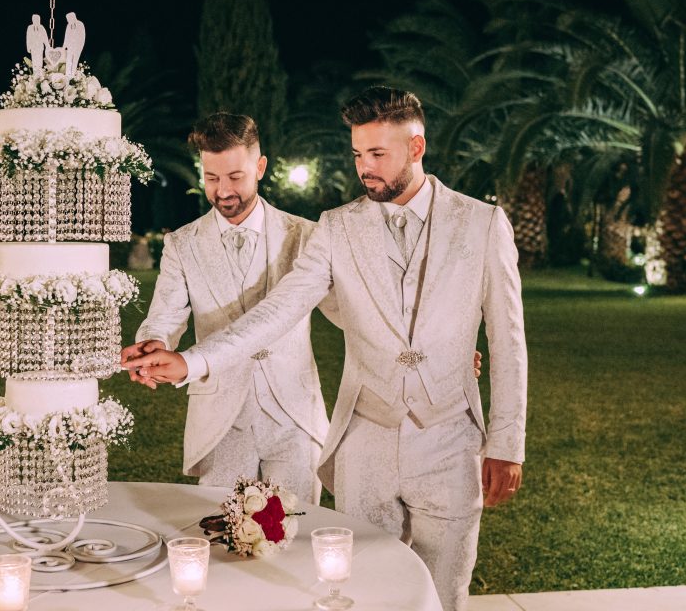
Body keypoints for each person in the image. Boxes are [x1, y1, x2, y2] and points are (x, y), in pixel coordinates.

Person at [123, 88, 527, 611]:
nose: (364, 168)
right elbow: (279, 310)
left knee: (445, 593)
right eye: (358, 154)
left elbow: (508, 339)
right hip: (359, 438)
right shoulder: (337, 226)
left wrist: (504, 439)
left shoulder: (482, 222)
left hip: (447, 436)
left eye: (377, 154)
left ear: (417, 147)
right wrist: (189, 360)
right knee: (355, 589)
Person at [124, 112, 339, 503]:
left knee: (297, 529)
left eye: (235, 177)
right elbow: (164, 316)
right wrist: (154, 342)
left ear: (260, 167)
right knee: (222, 529)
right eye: (211, 178)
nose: (223, 191)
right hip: (220, 419)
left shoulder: (307, 236)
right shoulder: (182, 244)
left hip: (294, 415)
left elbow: (350, 311)